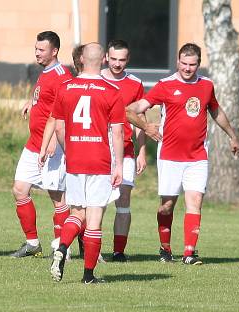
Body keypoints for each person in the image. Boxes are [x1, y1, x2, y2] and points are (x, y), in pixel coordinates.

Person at [126, 43, 239, 265]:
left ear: (199, 64)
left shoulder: (206, 86)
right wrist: (146, 126)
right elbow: (131, 109)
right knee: (167, 206)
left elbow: (216, 111)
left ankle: (189, 253)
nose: (188, 69)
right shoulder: (165, 85)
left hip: (197, 155)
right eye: (184, 64)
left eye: (193, 64)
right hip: (169, 155)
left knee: (195, 201)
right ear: (178, 62)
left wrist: (232, 136)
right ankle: (165, 247)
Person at [41, 42, 125, 283]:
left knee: (76, 213)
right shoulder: (111, 90)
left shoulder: (66, 87)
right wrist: (118, 165)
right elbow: (118, 133)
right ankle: (88, 275)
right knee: (95, 217)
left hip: (75, 159)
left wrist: (57, 149)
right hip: (99, 160)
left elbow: (55, 123)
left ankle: (62, 245)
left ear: (81, 60)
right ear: (104, 61)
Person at [11, 31, 73, 258]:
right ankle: (32, 243)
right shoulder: (46, 72)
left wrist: (56, 139)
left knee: (57, 198)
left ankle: (62, 248)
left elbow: (66, 108)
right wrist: (32, 101)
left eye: (41, 50)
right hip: (34, 143)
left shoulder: (62, 74)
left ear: (54, 51)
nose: (37, 53)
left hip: (51, 146)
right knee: (19, 189)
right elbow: (47, 99)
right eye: (36, 49)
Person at [100, 39, 147, 262]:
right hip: (98, 150)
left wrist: (143, 152)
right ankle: (93, 248)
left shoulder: (135, 83)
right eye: (114, 59)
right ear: (106, 57)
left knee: (124, 198)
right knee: (97, 201)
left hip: (126, 150)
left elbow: (141, 119)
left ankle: (118, 251)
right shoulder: (95, 79)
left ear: (128, 60)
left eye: (122, 60)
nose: (117, 64)